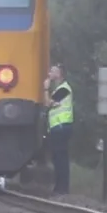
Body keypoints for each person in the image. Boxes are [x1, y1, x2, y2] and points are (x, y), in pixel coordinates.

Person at [43, 64, 74, 196]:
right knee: (57, 157)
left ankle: (63, 188)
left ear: (60, 74)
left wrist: (45, 89)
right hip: (57, 127)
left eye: (53, 70)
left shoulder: (64, 89)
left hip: (62, 127)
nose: (50, 72)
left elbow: (47, 103)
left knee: (60, 157)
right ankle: (59, 187)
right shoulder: (58, 90)